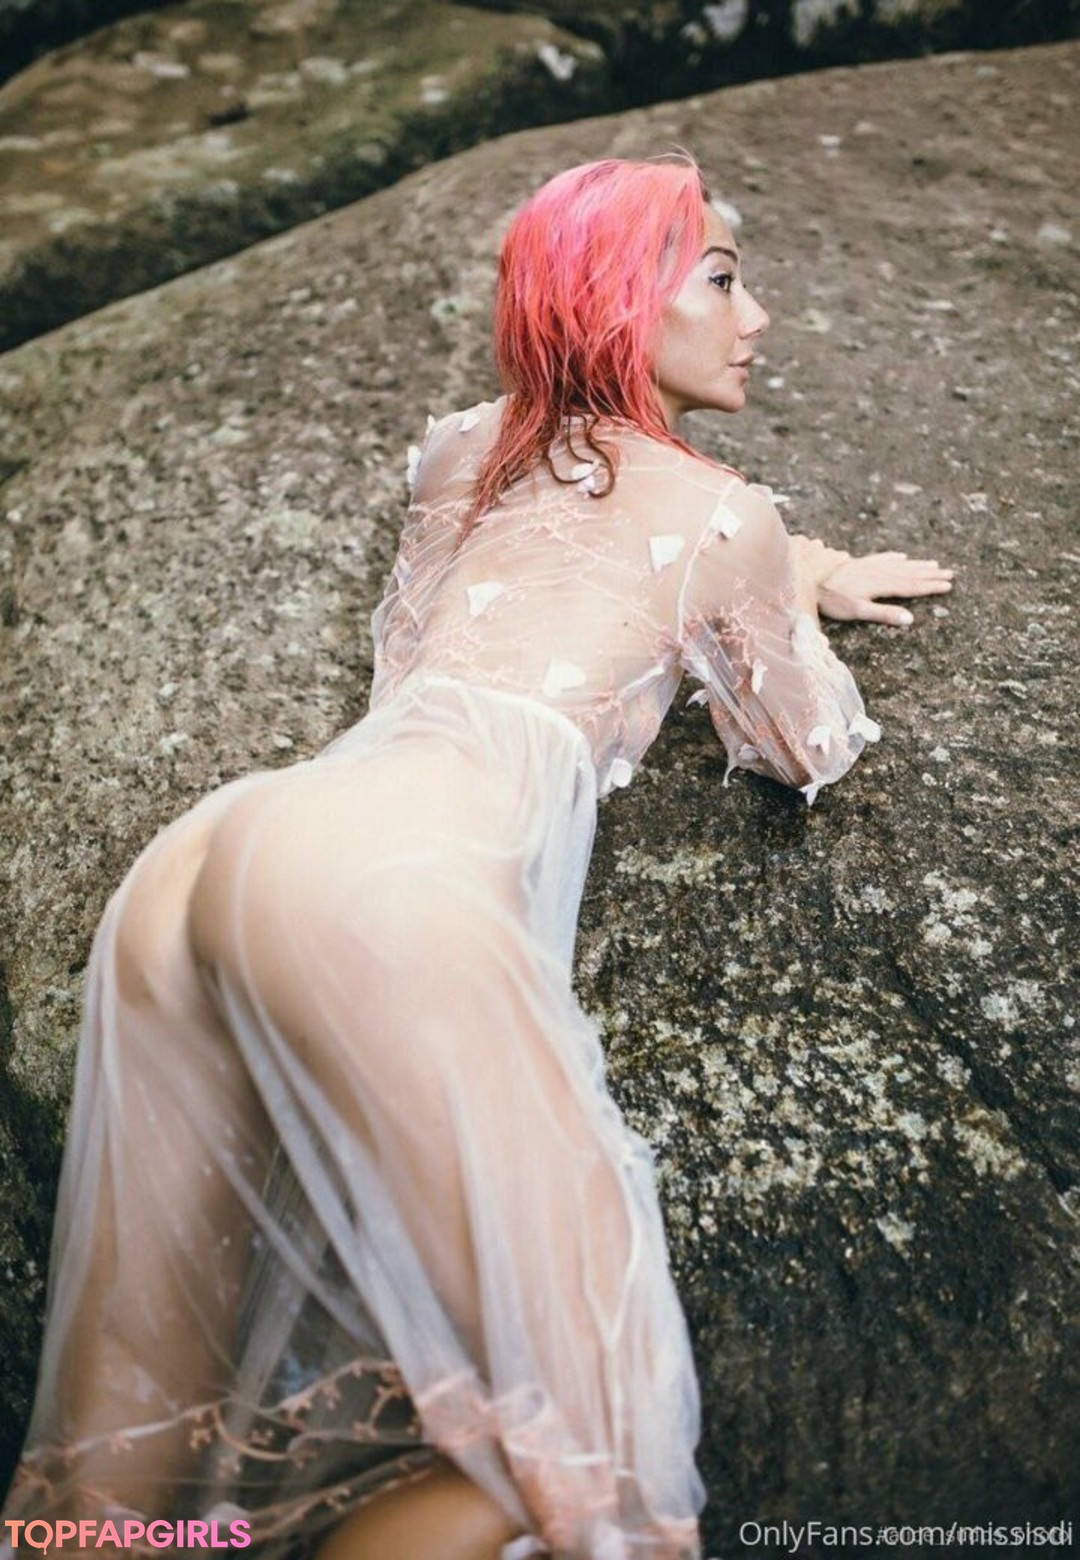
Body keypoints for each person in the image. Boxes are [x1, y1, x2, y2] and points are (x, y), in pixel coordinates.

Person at [1, 155, 953, 1560]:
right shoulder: (724, 515)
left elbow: (422, 647)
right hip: (382, 888)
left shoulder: (459, 450)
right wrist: (789, 582)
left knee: (119, 1461)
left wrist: (762, 565)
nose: (758, 319)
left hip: (222, 852)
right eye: (724, 280)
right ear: (623, 298)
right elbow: (801, 745)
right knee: (583, 1474)